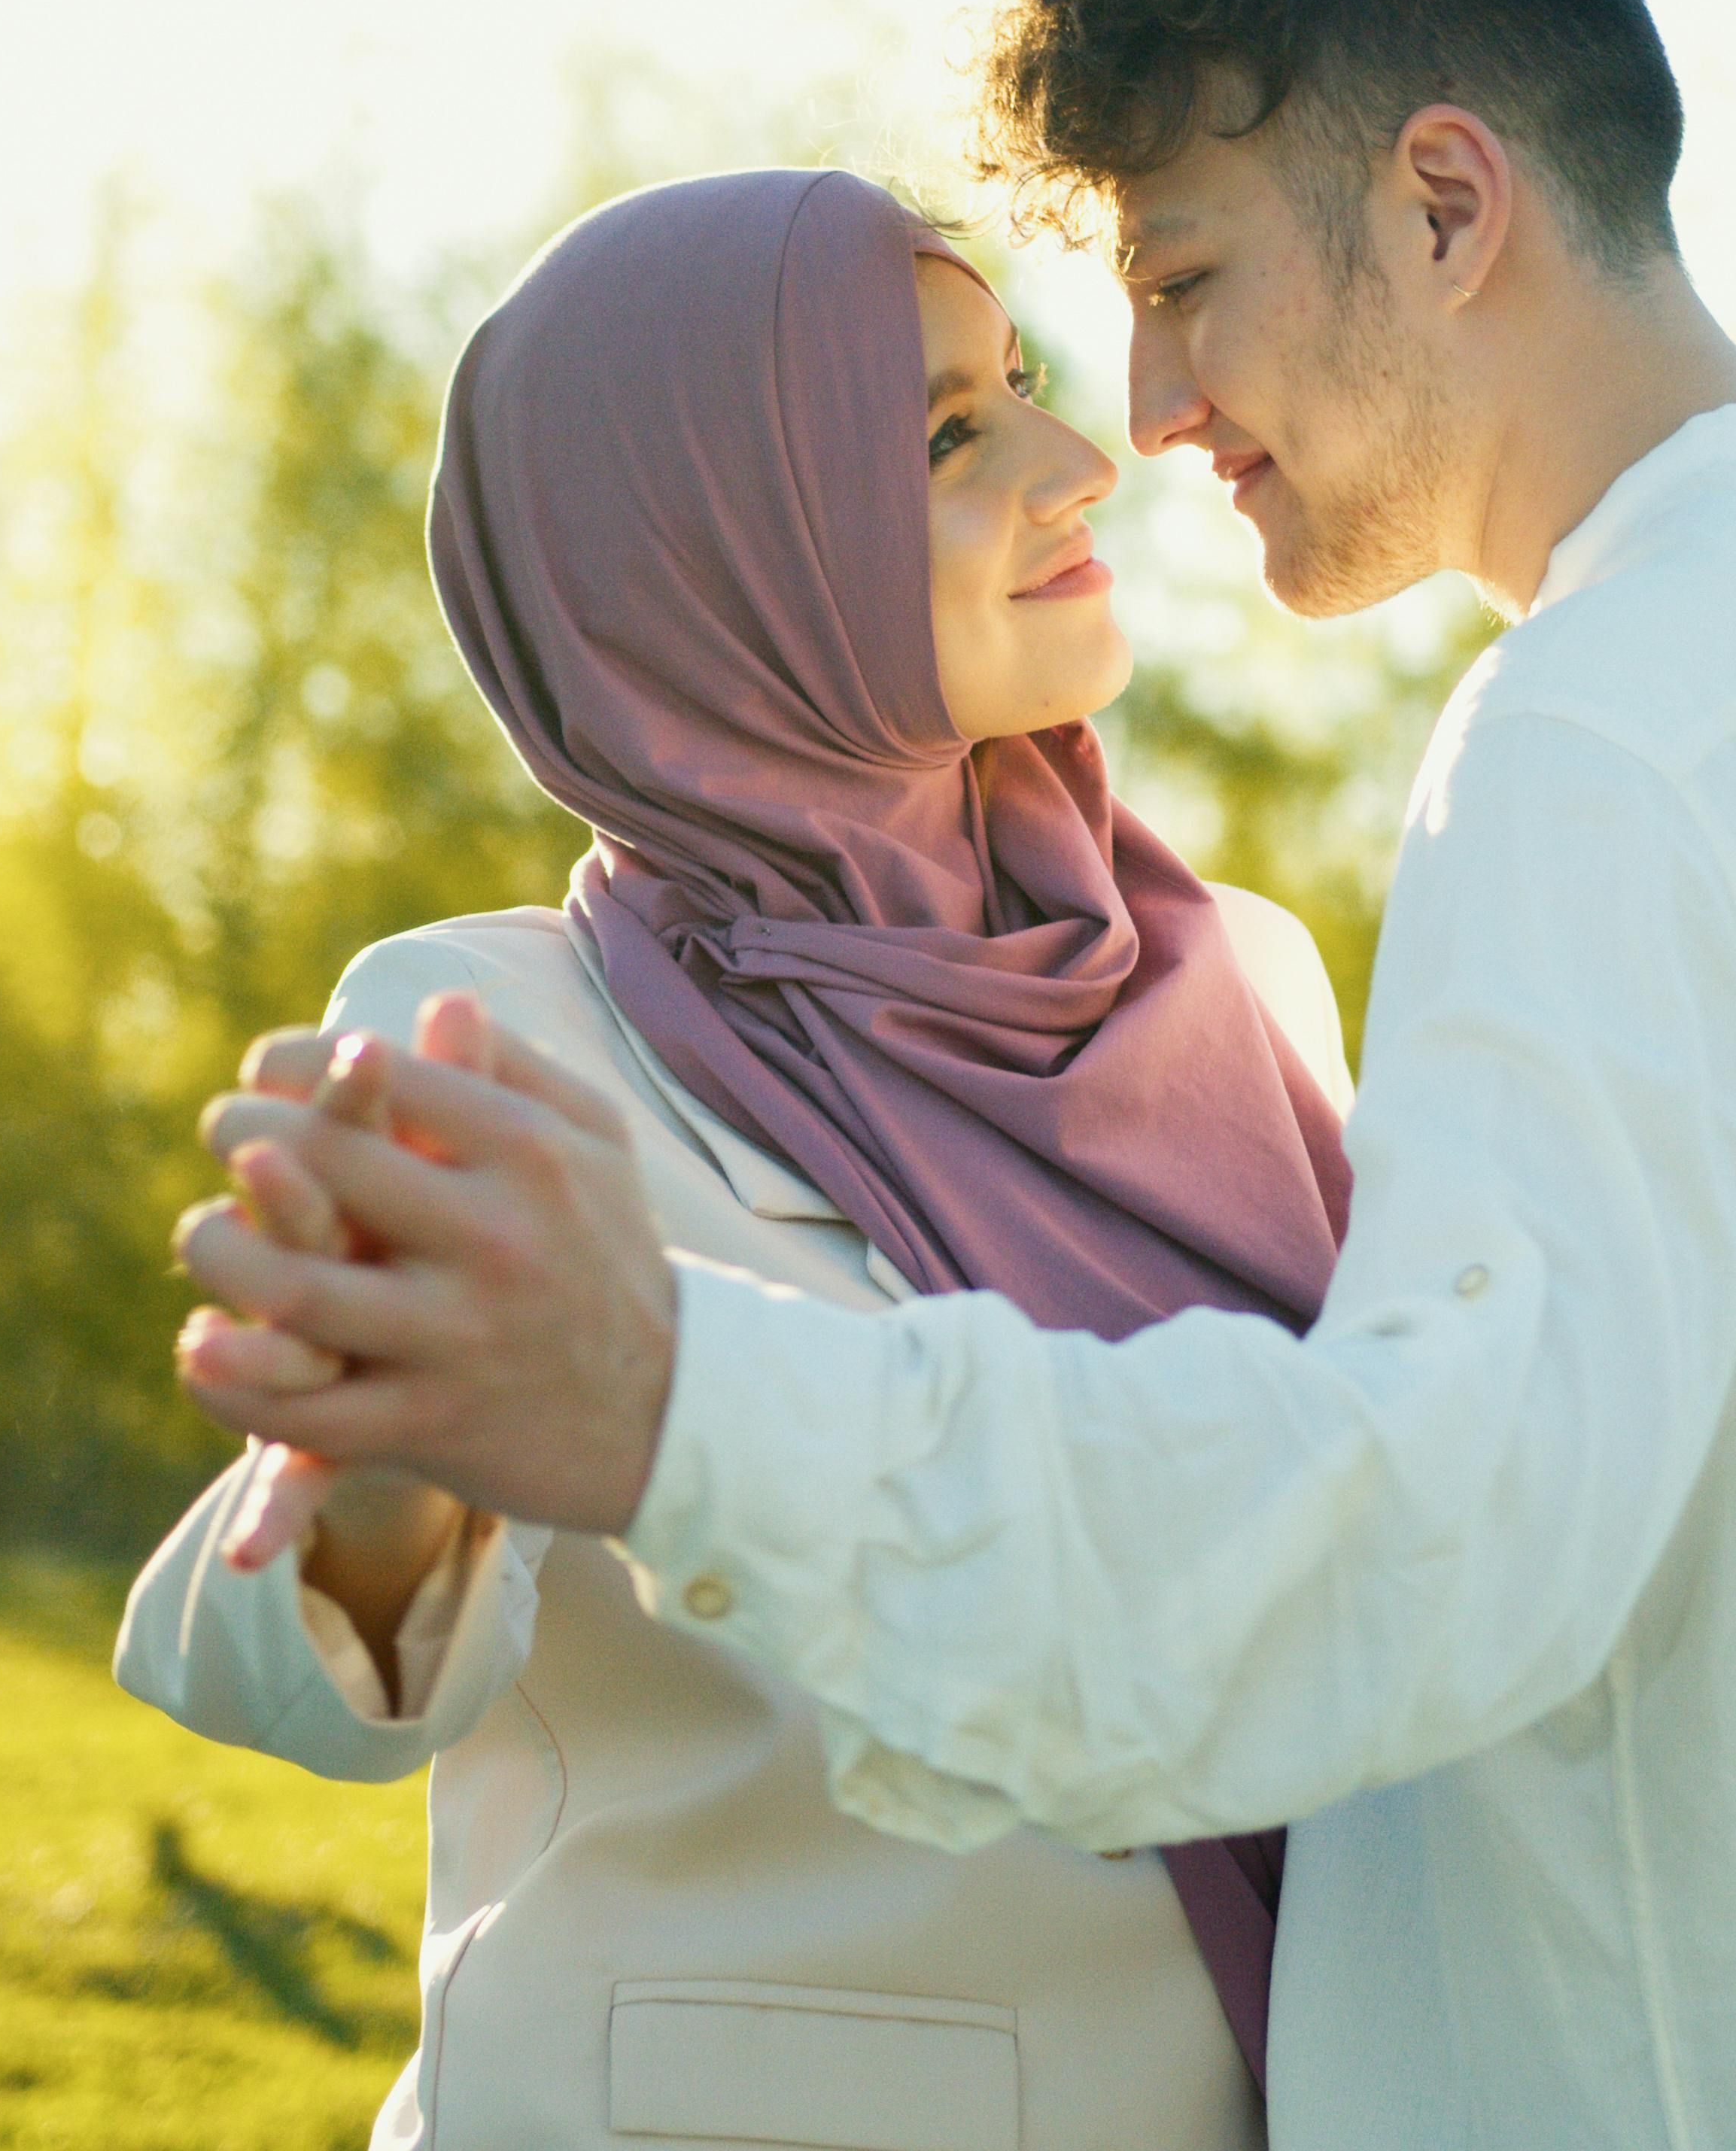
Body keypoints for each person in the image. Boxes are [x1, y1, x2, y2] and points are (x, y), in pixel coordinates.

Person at [179, 0, 1736, 2146]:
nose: (1141, 418)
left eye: (1182, 285)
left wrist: (674, 1404)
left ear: (1447, 205)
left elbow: (1433, 1534)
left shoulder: (1614, 733)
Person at [123, 166, 1355, 2151]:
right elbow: (323, 1689)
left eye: (1023, 391)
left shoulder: (1253, 986)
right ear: (716, 555)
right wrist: (392, 1449)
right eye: (945, 437)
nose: (1080, 467)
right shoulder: (492, 1031)